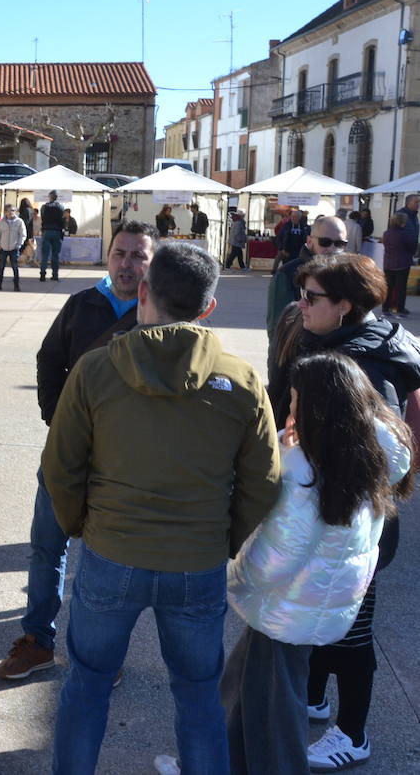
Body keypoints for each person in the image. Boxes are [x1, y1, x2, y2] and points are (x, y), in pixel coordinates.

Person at [43, 242, 280, 774]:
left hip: (111, 554)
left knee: (87, 686)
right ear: (209, 307)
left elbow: (60, 467)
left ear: (143, 292)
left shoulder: (95, 370)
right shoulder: (242, 382)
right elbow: (264, 482)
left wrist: (83, 527)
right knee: (198, 697)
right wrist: (222, 537)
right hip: (196, 563)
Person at [221, 351, 412, 775]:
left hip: (287, 604)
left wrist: (231, 577)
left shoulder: (302, 473)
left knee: (277, 707)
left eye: (294, 401)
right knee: (243, 682)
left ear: (316, 409)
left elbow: (273, 558)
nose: (289, 409)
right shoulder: (372, 453)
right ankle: (217, 759)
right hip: (320, 601)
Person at [269, 254, 420, 771]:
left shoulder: (360, 366)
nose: (301, 305)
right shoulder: (336, 341)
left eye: (312, 298)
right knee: (320, 619)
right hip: (332, 519)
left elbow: (381, 454)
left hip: (348, 527)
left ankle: (353, 734)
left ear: (345, 306)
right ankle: (312, 696)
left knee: (350, 629)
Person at [0, 221, 157, 681]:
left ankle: (100, 650)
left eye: (137, 256)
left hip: (123, 463)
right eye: (120, 253)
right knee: (47, 549)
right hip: (64, 453)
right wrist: (56, 416)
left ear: (152, 263)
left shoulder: (159, 315)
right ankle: (36, 641)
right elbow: (49, 361)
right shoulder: (80, 305)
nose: (126, 264)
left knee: (108, 558)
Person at [267, 216, 347, 350]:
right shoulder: (286, 274)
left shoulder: (347, 274)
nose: (333, 249)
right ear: (310, 242)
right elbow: (277, 331)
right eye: (325, 242)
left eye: (340, 244)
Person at [382, 213, 411, 317]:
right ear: (402, 222)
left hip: (388, 263)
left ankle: (385, 308)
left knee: (389, 287)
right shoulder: (405, 234)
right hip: (402, 263)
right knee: (401, 288)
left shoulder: (386, 233)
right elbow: (411, 247)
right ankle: (400, 309)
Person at [0, 203, 26, 292]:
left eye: (13, 210)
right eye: (9, 211)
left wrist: (19, 244)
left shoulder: (19, 222)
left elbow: (23, 234)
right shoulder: (1, 222)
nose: (11, 212)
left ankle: (16, 285)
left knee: (15, 267)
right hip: (3, 248)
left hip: (14, 248)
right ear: (5, 212)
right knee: (1, 267)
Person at [39, 191, 65, 283]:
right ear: (57, 197)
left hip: (46, 231)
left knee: (45, 254)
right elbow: (63, 219)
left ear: (50, 197)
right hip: (57, 231)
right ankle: (55, 274)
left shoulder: (44, 207)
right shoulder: (61, 207)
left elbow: (42, 218)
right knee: (55, 255)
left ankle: (42, 273)